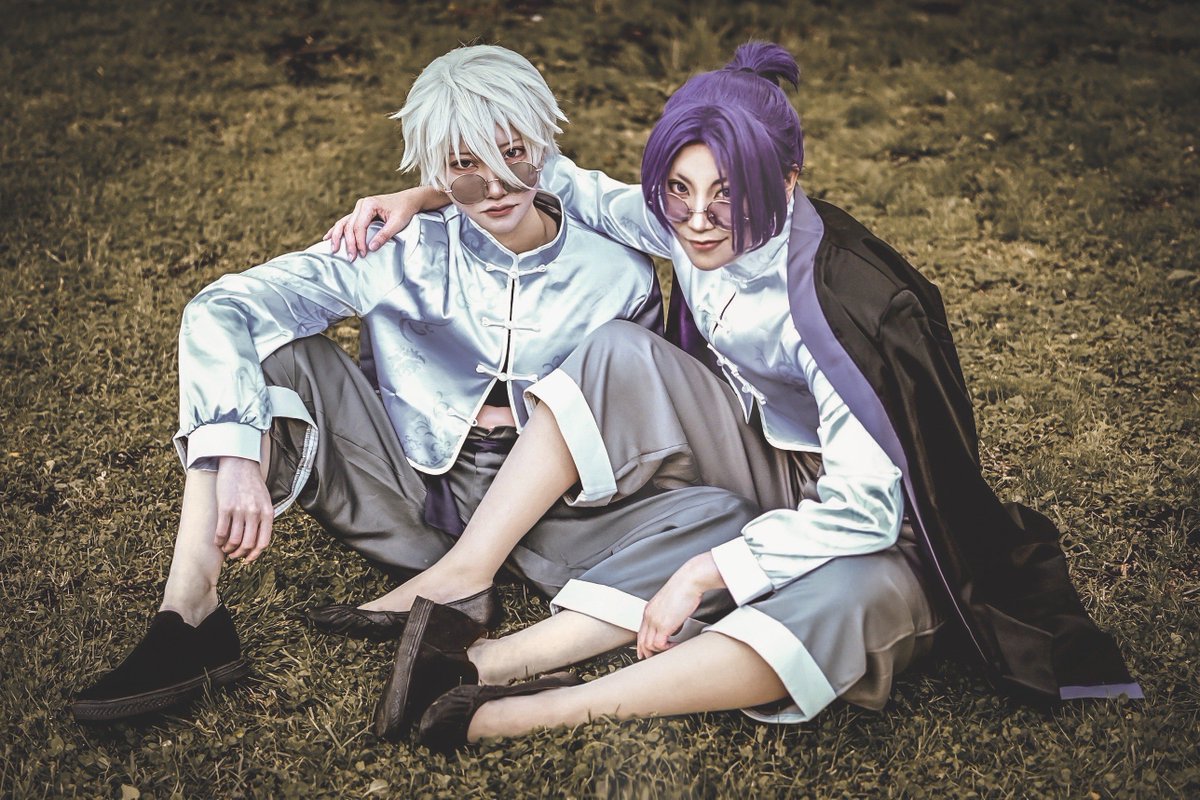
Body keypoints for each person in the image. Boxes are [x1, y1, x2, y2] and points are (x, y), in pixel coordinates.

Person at [326, 42, 1139, 752]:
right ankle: (470, 592)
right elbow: (562, 184)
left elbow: (867, 509)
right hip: (772, 459)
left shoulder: (845, 306)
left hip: (886, 523)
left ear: (787, 180)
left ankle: (535, 705)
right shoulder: (684, 223)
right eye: (679, 189)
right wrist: (423, 196)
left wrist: (713, 569)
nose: (699, 221)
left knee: (851, 597)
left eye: (726, 193)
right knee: (615, 351)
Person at [69, 45, 761, 734]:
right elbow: (223, 307)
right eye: (463, 166)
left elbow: (643, 380)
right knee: (275, 358)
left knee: (728, 522)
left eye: (513, 154)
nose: (495, 186)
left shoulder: (619, 269)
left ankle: (495, 653)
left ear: (544, 146)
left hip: (563, 515)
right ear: (435, 170)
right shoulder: (397, 248)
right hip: (413, 497)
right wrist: (239, 452)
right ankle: (189, 615)